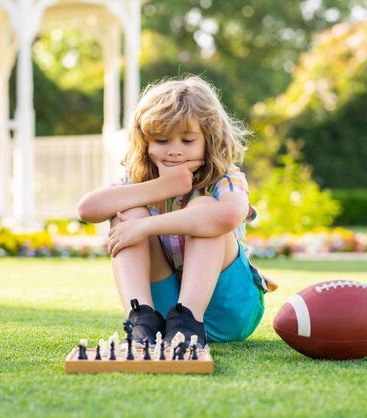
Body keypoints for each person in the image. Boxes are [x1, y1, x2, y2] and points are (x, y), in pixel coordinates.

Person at [77, 76, 275, 348]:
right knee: (129, 211)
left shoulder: (225, 177)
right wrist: (163, 186)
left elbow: (228, 215)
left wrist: (145, 227)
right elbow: (87, 209)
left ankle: (189, 320)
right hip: (164, 312)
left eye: (187, 140)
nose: (175, 152)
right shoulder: (140, 179)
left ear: (210, 140)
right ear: (145, 141)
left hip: (228, 311)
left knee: (204, 209)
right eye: (161, 140)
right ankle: (141, 318)